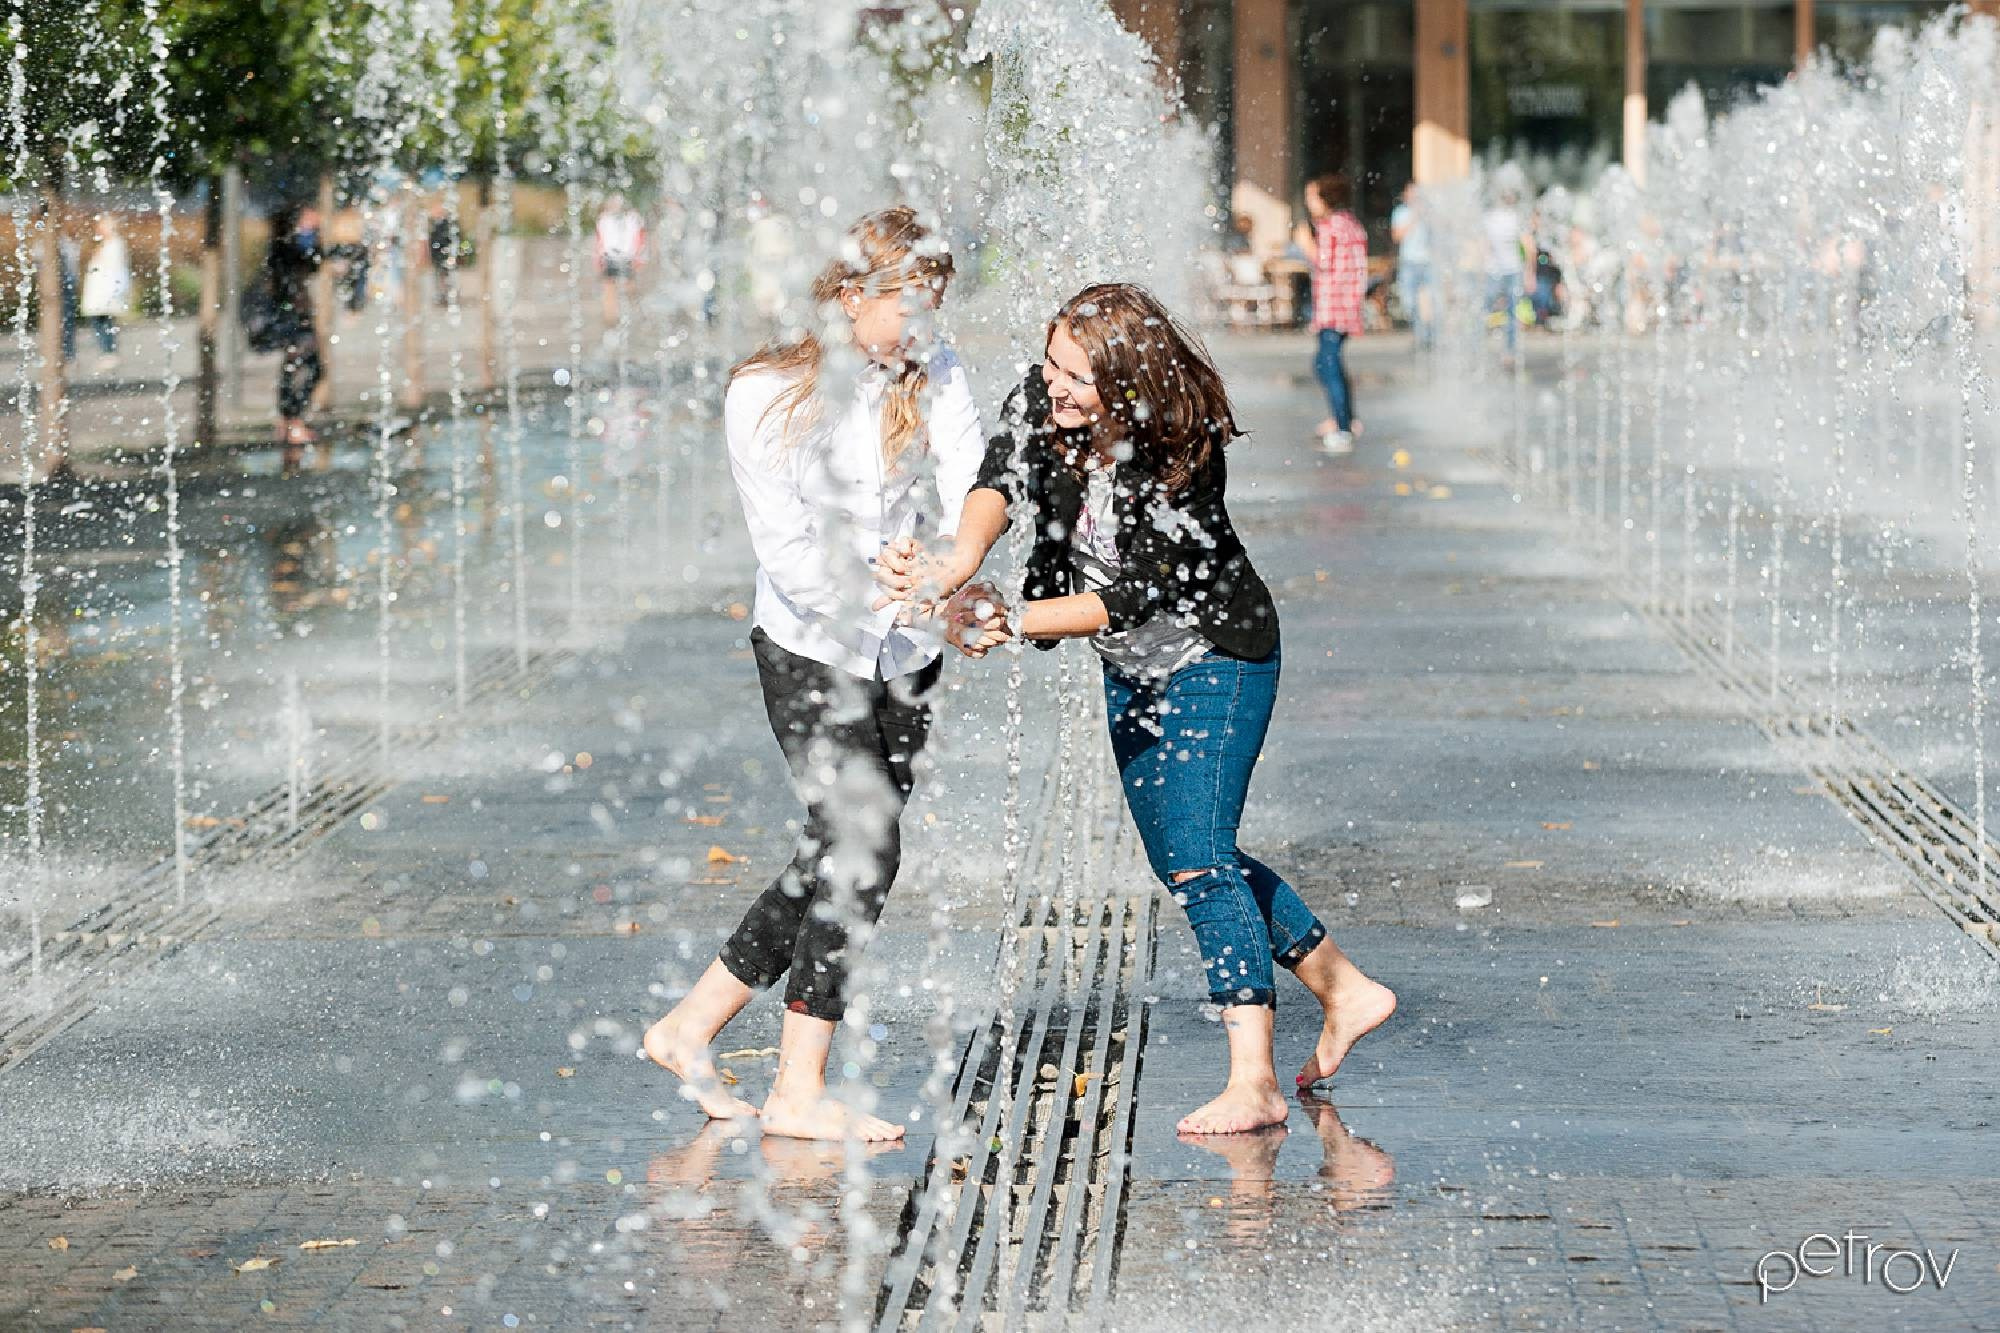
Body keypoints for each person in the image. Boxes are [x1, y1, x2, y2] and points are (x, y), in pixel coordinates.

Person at [881, 283, 1398, 1135]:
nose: (1054, 384)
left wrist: (1009, 618)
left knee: (1198, 862)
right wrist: (956, 564)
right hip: (1132, 671)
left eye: (1075, 375)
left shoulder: (1183, 451)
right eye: (1051, 363)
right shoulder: (1044, 399)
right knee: (1190, 859)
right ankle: (1345, 988)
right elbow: (999, 476)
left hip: (1216, 660)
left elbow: (1132, 596)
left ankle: (1255, 1080)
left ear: (1124, 382)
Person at [642, 206, 984, 1143]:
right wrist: (910, 595)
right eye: (909, 303)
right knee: (865, 846)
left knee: (832, 851)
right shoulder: (762, 392)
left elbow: (973, 476)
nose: (924, 323)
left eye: (935, 302)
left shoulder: (936, 366)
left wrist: (952, 568)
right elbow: (792, 556)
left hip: (907, 654)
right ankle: (799, 1088)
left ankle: (688, 1026)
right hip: (808, 644)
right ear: (851, 295)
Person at [1304, 173, 1367, 455]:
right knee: (1328, 363)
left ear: (1325, 199)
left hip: (1333, 307)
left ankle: (1343, 428)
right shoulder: (1351, 223)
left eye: (1311, 197)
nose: (1308, 203)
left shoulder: (1330, 226)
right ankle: (1346, 419)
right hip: (1347, 305)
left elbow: (1323, 261)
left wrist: (1304, 241)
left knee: (1327, 364)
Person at [266, 204, 325, 464]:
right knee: (309, 368)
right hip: (294, 317)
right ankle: (293, 422)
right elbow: (313, 263)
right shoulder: (288, 249)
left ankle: (287, 422)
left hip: (291, 315)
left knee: (294, 368)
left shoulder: (280, 248)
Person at [1483, 187, 1532, 360]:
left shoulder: (1515, 218)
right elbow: (1484, 244)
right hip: (1495, 270)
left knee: (1510, 311)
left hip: (1512, 269)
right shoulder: (1490, 218)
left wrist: (1529, 273)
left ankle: (1509, 351)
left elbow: (1528, 246)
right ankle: (1477, 347)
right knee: (1486, 307)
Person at [79, 213, 132, 365]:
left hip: (105, 292)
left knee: (104, 323)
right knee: (100, 322)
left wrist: (113, 291)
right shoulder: (105, 244)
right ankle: (107, 351)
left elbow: (115, 270)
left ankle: (108, 352)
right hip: (99, 293)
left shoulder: (114, 245)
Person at [1390, 182, 1434, 350]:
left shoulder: (1429, 212)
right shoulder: (1400, 212)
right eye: (1411, 193)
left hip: (1428, 262)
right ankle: (1419, 334)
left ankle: (1429, 336)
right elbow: (1397, 237)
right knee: (1409, 301)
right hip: (1409, 262)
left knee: (1433, 301)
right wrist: (1414, 218)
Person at [595, 193, 647, 327]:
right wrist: (599, 256)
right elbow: (601, 239)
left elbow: (639, 237)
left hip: (627, 257)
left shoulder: (632, 218)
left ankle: (638, 312)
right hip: (609, 256)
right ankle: (610, 317)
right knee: (609, 287)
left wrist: (638, 256)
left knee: (630, 287)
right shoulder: (604, 219)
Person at [427, 200, 460, 309]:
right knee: (439, 276)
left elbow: (446, 240)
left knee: (445, 276)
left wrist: (449, 255)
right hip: (437, 256)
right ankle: (442, 296)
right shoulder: (436, 223)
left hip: (443, 255)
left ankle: (447, 296)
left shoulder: (446, 224)